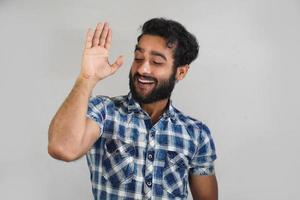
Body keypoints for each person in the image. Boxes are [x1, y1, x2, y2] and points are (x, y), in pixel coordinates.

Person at [48, 18, 218, 200]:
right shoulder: (105, 112)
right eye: (138, 58)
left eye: (156, 62)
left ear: (181, 72)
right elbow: (62, 149)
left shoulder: (196, 134)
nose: (143, 69)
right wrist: (86, 79)